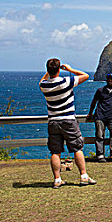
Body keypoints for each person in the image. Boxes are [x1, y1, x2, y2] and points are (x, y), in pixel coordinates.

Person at [39, 58, 97, 188]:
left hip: (53, 121)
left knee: (55, 151)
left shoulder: (44, 86)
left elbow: (41, 81)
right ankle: (83, 176)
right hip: (68, 120)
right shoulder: (66, 81)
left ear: (48, 70)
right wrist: (70, 69)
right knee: (77, 148)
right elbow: (85, 76)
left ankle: (57, 179)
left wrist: (49, 73)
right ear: (59, 69)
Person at [87, 74, 112, 162]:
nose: (110, 80)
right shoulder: (100, 90)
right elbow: (94, 102)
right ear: (106, 80)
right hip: (100, 116)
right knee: (100, 136)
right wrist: (90, 113)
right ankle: (100, 155)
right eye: (108, 79)